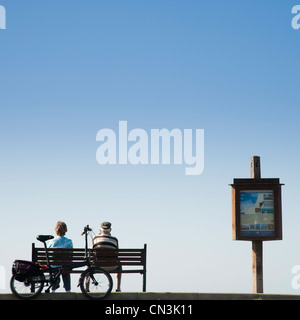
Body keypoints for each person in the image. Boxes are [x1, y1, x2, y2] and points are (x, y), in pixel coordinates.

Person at [92, 221, 121, 292]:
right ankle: (118, 288)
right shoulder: (114, 240)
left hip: (97, 266)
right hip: (112, 265)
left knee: (88, 264)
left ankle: (86, 288)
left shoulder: (95, 238)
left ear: (100, 230)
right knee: (119, 264)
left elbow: (91, 253)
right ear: (110, 230)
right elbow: (117, 253)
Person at [47, 221, 73, 292]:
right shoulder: (69, 241)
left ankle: (53, 289)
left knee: (55, 269)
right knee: (66, 269)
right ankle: (68, 290)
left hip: (54, 266)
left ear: (56, 230)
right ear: (65, 230)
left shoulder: (50, 241)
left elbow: (48, 255)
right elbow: (71, 254)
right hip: (65, 266)